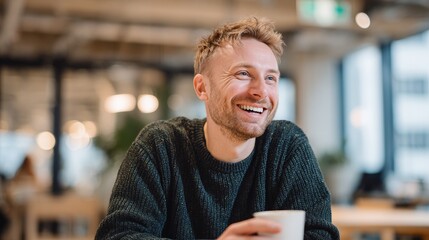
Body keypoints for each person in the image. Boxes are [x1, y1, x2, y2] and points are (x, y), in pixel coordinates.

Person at [95, 16, 339, 239]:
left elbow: (321, 235)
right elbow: (119, 235)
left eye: (271, 78)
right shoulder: (161, 146)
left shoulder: (286, 147)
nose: (261, 91)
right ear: (202, 88)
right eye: (243, 74)